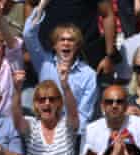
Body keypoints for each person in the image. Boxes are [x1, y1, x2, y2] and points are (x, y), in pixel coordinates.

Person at [23, 0, 98, 133]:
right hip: (43, 130)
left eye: (71, 40)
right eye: (61, 40)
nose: (66, 43)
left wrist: (64, 135)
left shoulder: (89, 75)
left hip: (71, 134)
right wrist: (42, 5)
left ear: (77, 45)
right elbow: (28, 34)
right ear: (54, 45)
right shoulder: (44, 62)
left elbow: (84, 115)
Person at [11, 69, 79, 155]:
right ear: (36, 104)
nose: (47, 103)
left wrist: (65, 86)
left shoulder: (66, 125)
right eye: (42, 99)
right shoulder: (31, 125)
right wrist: (17, 90)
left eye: (52, 99)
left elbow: (74, 113)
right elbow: (16, 118)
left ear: (59, 103)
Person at [80, 84, 140, 155]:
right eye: (109, 102)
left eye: (119, 102)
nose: (114, 105)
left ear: (126, 106)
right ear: (102, 106)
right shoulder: (90, 129)